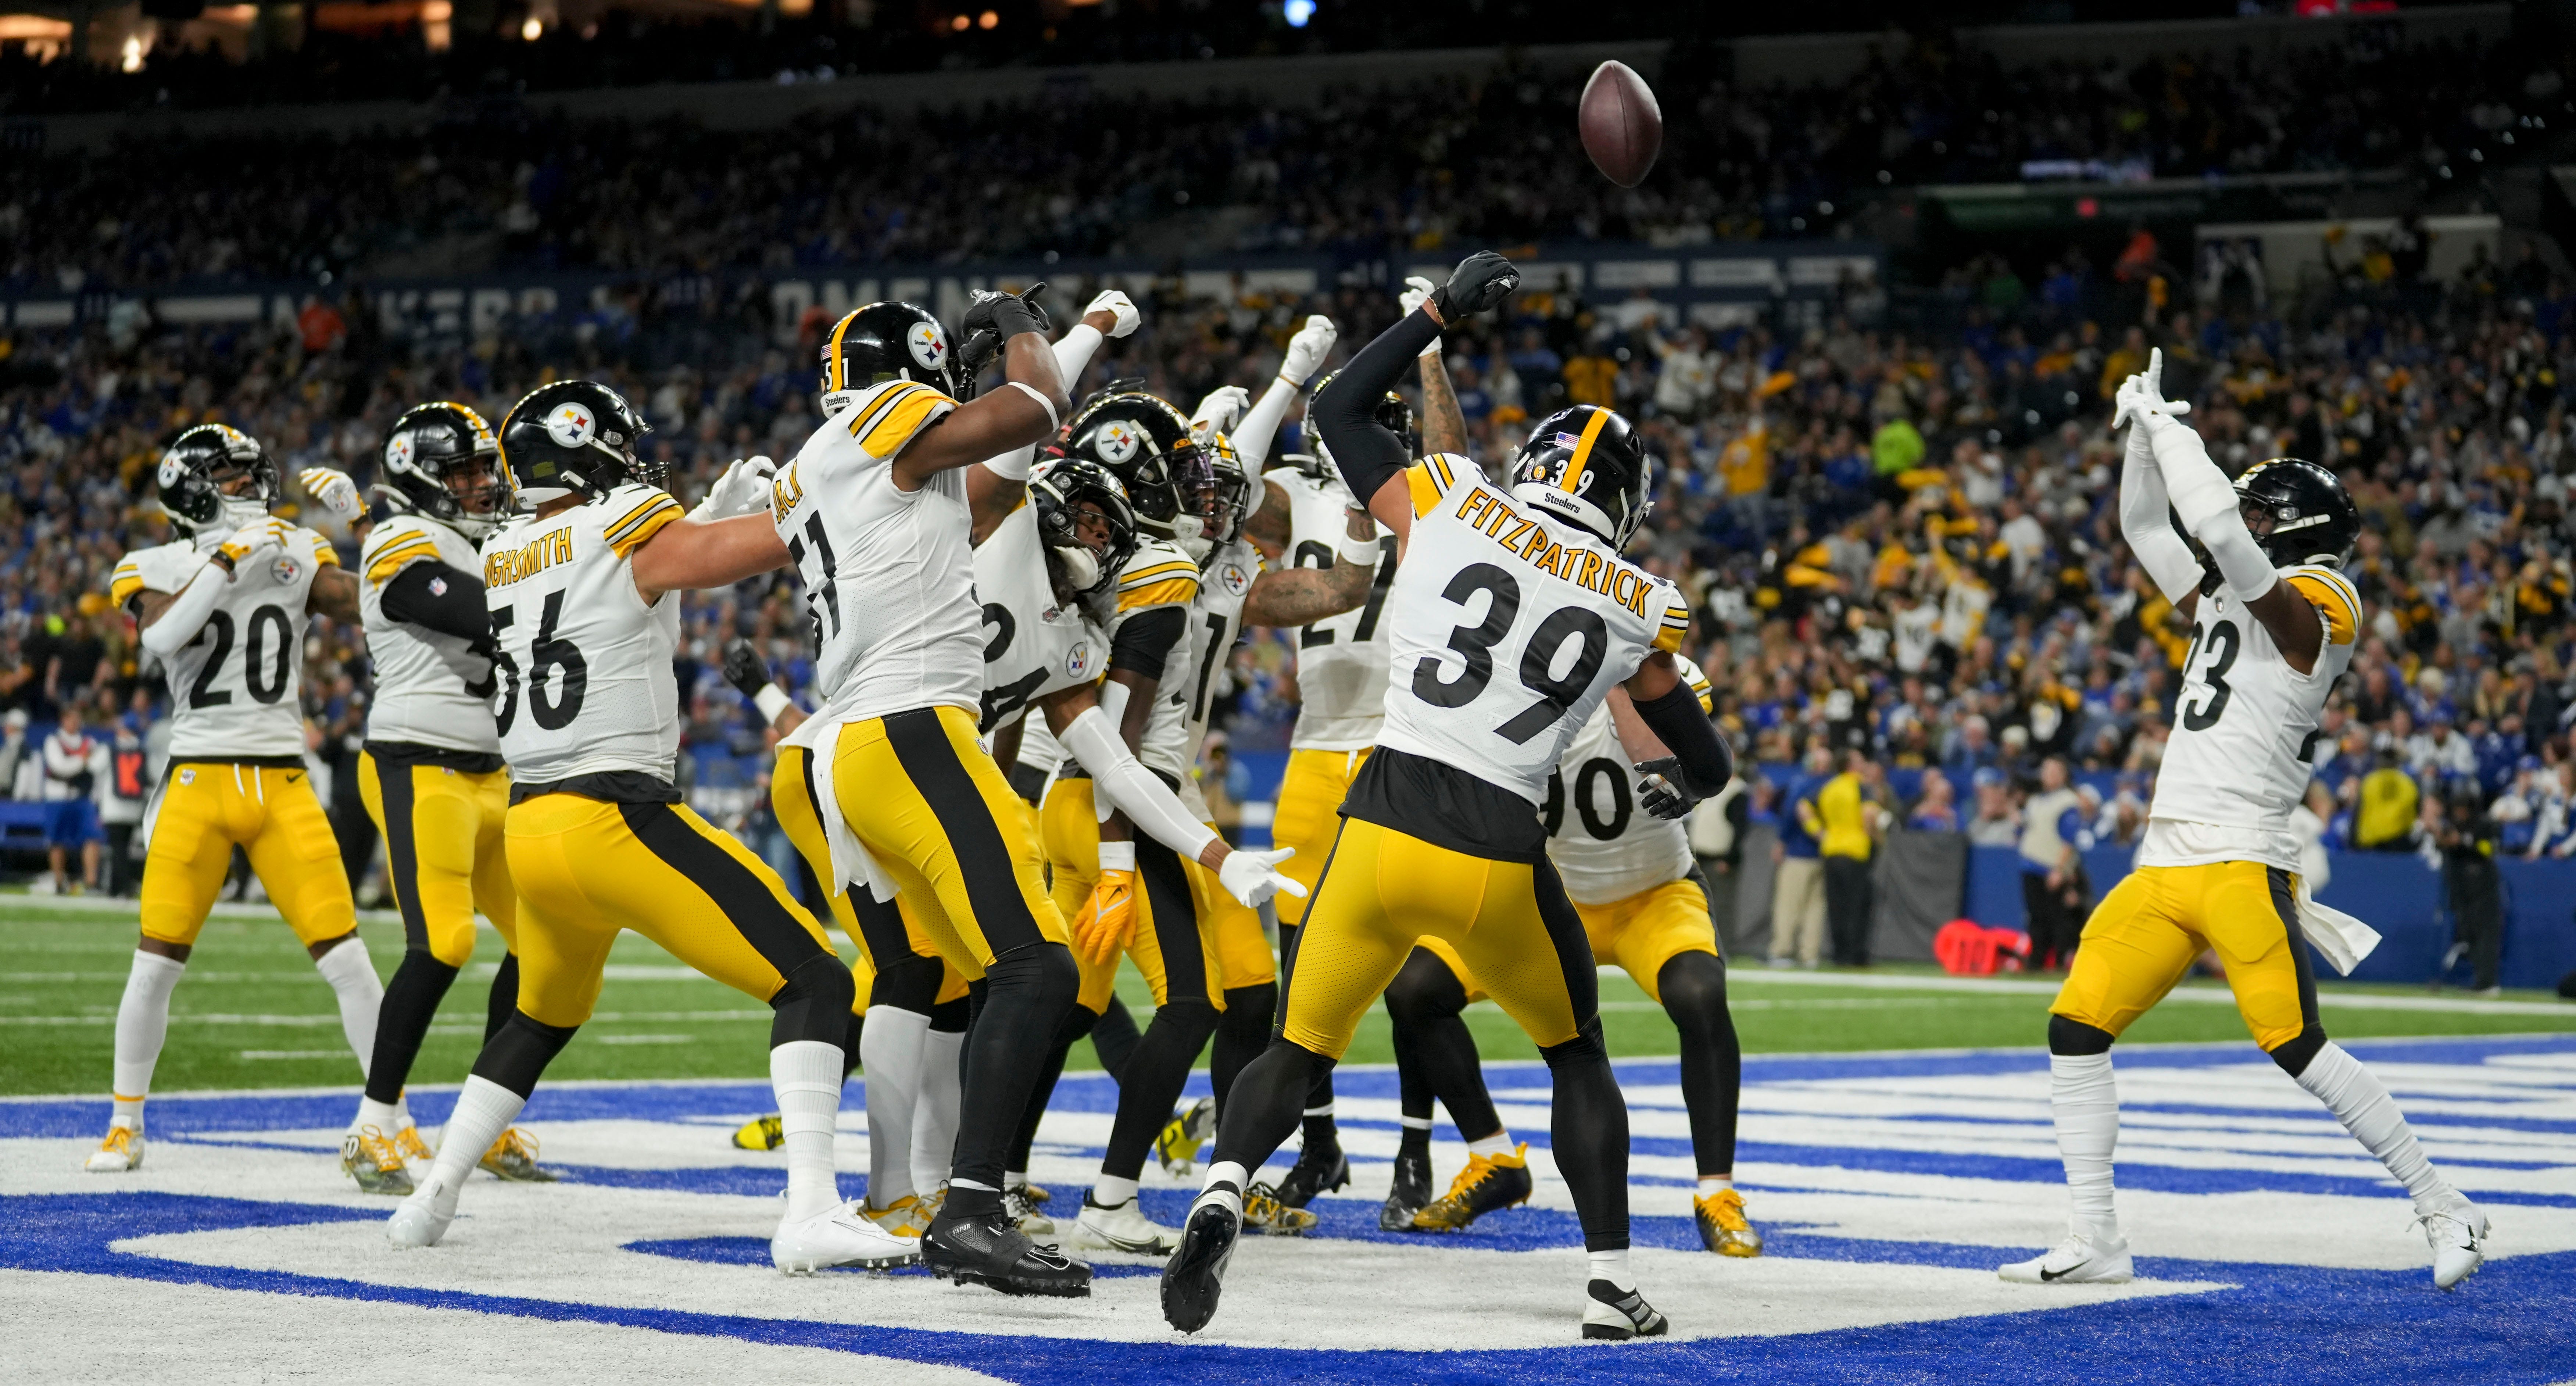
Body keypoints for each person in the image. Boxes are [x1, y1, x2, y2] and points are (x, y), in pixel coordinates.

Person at [1164, 252, 1727, 1342]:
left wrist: (1434, 317)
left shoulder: (1449, 501)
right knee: (1575, 1057)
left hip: (1375, 824)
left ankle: (1226, 1184)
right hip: (1496, 854)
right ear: (1622, 506)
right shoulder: (1638, 603)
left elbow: (1333, 406)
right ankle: (1609, 1284)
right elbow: (1699, 763)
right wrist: (1667, 791)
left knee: (1295, 1047)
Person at [382, 379, 912, 1277]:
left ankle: (434, 1192)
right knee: (816, 978)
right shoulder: (619, 516)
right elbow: (711, 559)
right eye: (621, 446)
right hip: (616, 815)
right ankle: (813, 1208)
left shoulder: (509, 546)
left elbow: (620, 591)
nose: (635, 461)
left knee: (542, 1014)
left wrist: (706, 508)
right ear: (588, 451)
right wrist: (814, 489)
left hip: (532, 824)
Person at [2006, 350, 2487, 1292]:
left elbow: (2219, 523)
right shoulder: (2234, 591)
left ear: (2302, 529)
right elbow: (2150, 523)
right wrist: (2141, 439)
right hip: (2165, 861)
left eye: (2271, 513)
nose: (2252, 520)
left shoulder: (2327, 599)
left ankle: (2444, 1203)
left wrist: (2170, 428)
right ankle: (2096, 1237)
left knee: (2296, 1044)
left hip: (2239, 859)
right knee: (2074, 1028)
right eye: (2255, 511)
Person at [755, 290, 1102, 1295]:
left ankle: (929, 1188)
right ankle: (969, 1208)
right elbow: (1032, 412)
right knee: (1038, 968)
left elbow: (988, 490)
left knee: (961, 977)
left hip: (872, 739)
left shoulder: (848, 460)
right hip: (912, 728)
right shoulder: (885, 419)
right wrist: (1024, 327)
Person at [1377, 656, 1761, 1258]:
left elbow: (1699, 750)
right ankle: (1493, 1157)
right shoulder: (1511, 695)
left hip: (1652, 893)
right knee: (1414, 990)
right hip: (1550, 900)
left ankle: (1717, 1192)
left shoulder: (1655, 676)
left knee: (1699, 994)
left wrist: (1679, 771)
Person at [89, 425, 381, 1175]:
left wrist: (368, 528)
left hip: (282, 778)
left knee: (348, 956)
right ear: (191, 487)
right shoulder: (151, 562)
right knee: (155, 964)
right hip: (198, 778)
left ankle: (391, 1118)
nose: (253, 490)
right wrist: (225, 560)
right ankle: (126, 1122)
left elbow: (370, 607)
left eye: (254, 476)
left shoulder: (294, 549)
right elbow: (163, 637)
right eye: (232, 477)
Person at [333, 403, 551, 1195]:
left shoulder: (479, 540)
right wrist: (551, 587)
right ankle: (373, 1123)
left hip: (493, 769)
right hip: (417, 761)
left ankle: (481, 1125)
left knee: (538, 950)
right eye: (464, 470)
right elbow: (451, 606)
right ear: (421, 474)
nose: (482, 483)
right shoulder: (401, 538)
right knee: (445, 943)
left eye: (485, 469)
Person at [1766, 742, 1831, 968]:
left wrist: (1782, 841)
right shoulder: (1833, 785)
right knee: (1816, 907)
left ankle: (1782, 950)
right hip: (1824, 852)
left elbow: (1790, 814)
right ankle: (1810, 954)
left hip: (1798, 851)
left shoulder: (1801, 784)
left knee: (1789, 904)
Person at [2019, 756, 2085, 971]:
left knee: (2057, 918)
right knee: (2035, 917)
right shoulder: (2035, 800)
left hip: (2050, 866)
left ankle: (2059, 960)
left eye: (2054, 771)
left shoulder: (2067, 801)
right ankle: (2037, 959)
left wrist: (2060, 869)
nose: (2048, 776)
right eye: (2046, 771)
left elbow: (2069, 838)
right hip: (2031, 865)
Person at [1817, 746, 1878, 967]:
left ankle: (1839, 954)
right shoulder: (1861, 786)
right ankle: (1856, 955)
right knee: (1857, 906)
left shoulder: (1829, 788)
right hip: (1856, 850)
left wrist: (1819, 832)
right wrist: (1875, 839)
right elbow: (1870, 816)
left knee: (1837, 906)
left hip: (1831, 850)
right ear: (1851, 765)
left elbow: (1808, 809)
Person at [38, 700, 105, 895]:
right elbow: (60, 767)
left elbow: (96, 766)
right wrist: (82, 761)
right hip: (58, 798)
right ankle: (59, 882)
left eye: (78, 718)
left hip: (82, 797)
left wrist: (79, 763)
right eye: (71, 718)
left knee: (92, 837)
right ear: (64, 720)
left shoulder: (88, 742)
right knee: (57, 841)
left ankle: (92, 883)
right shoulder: (53, 741)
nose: (75, 722)